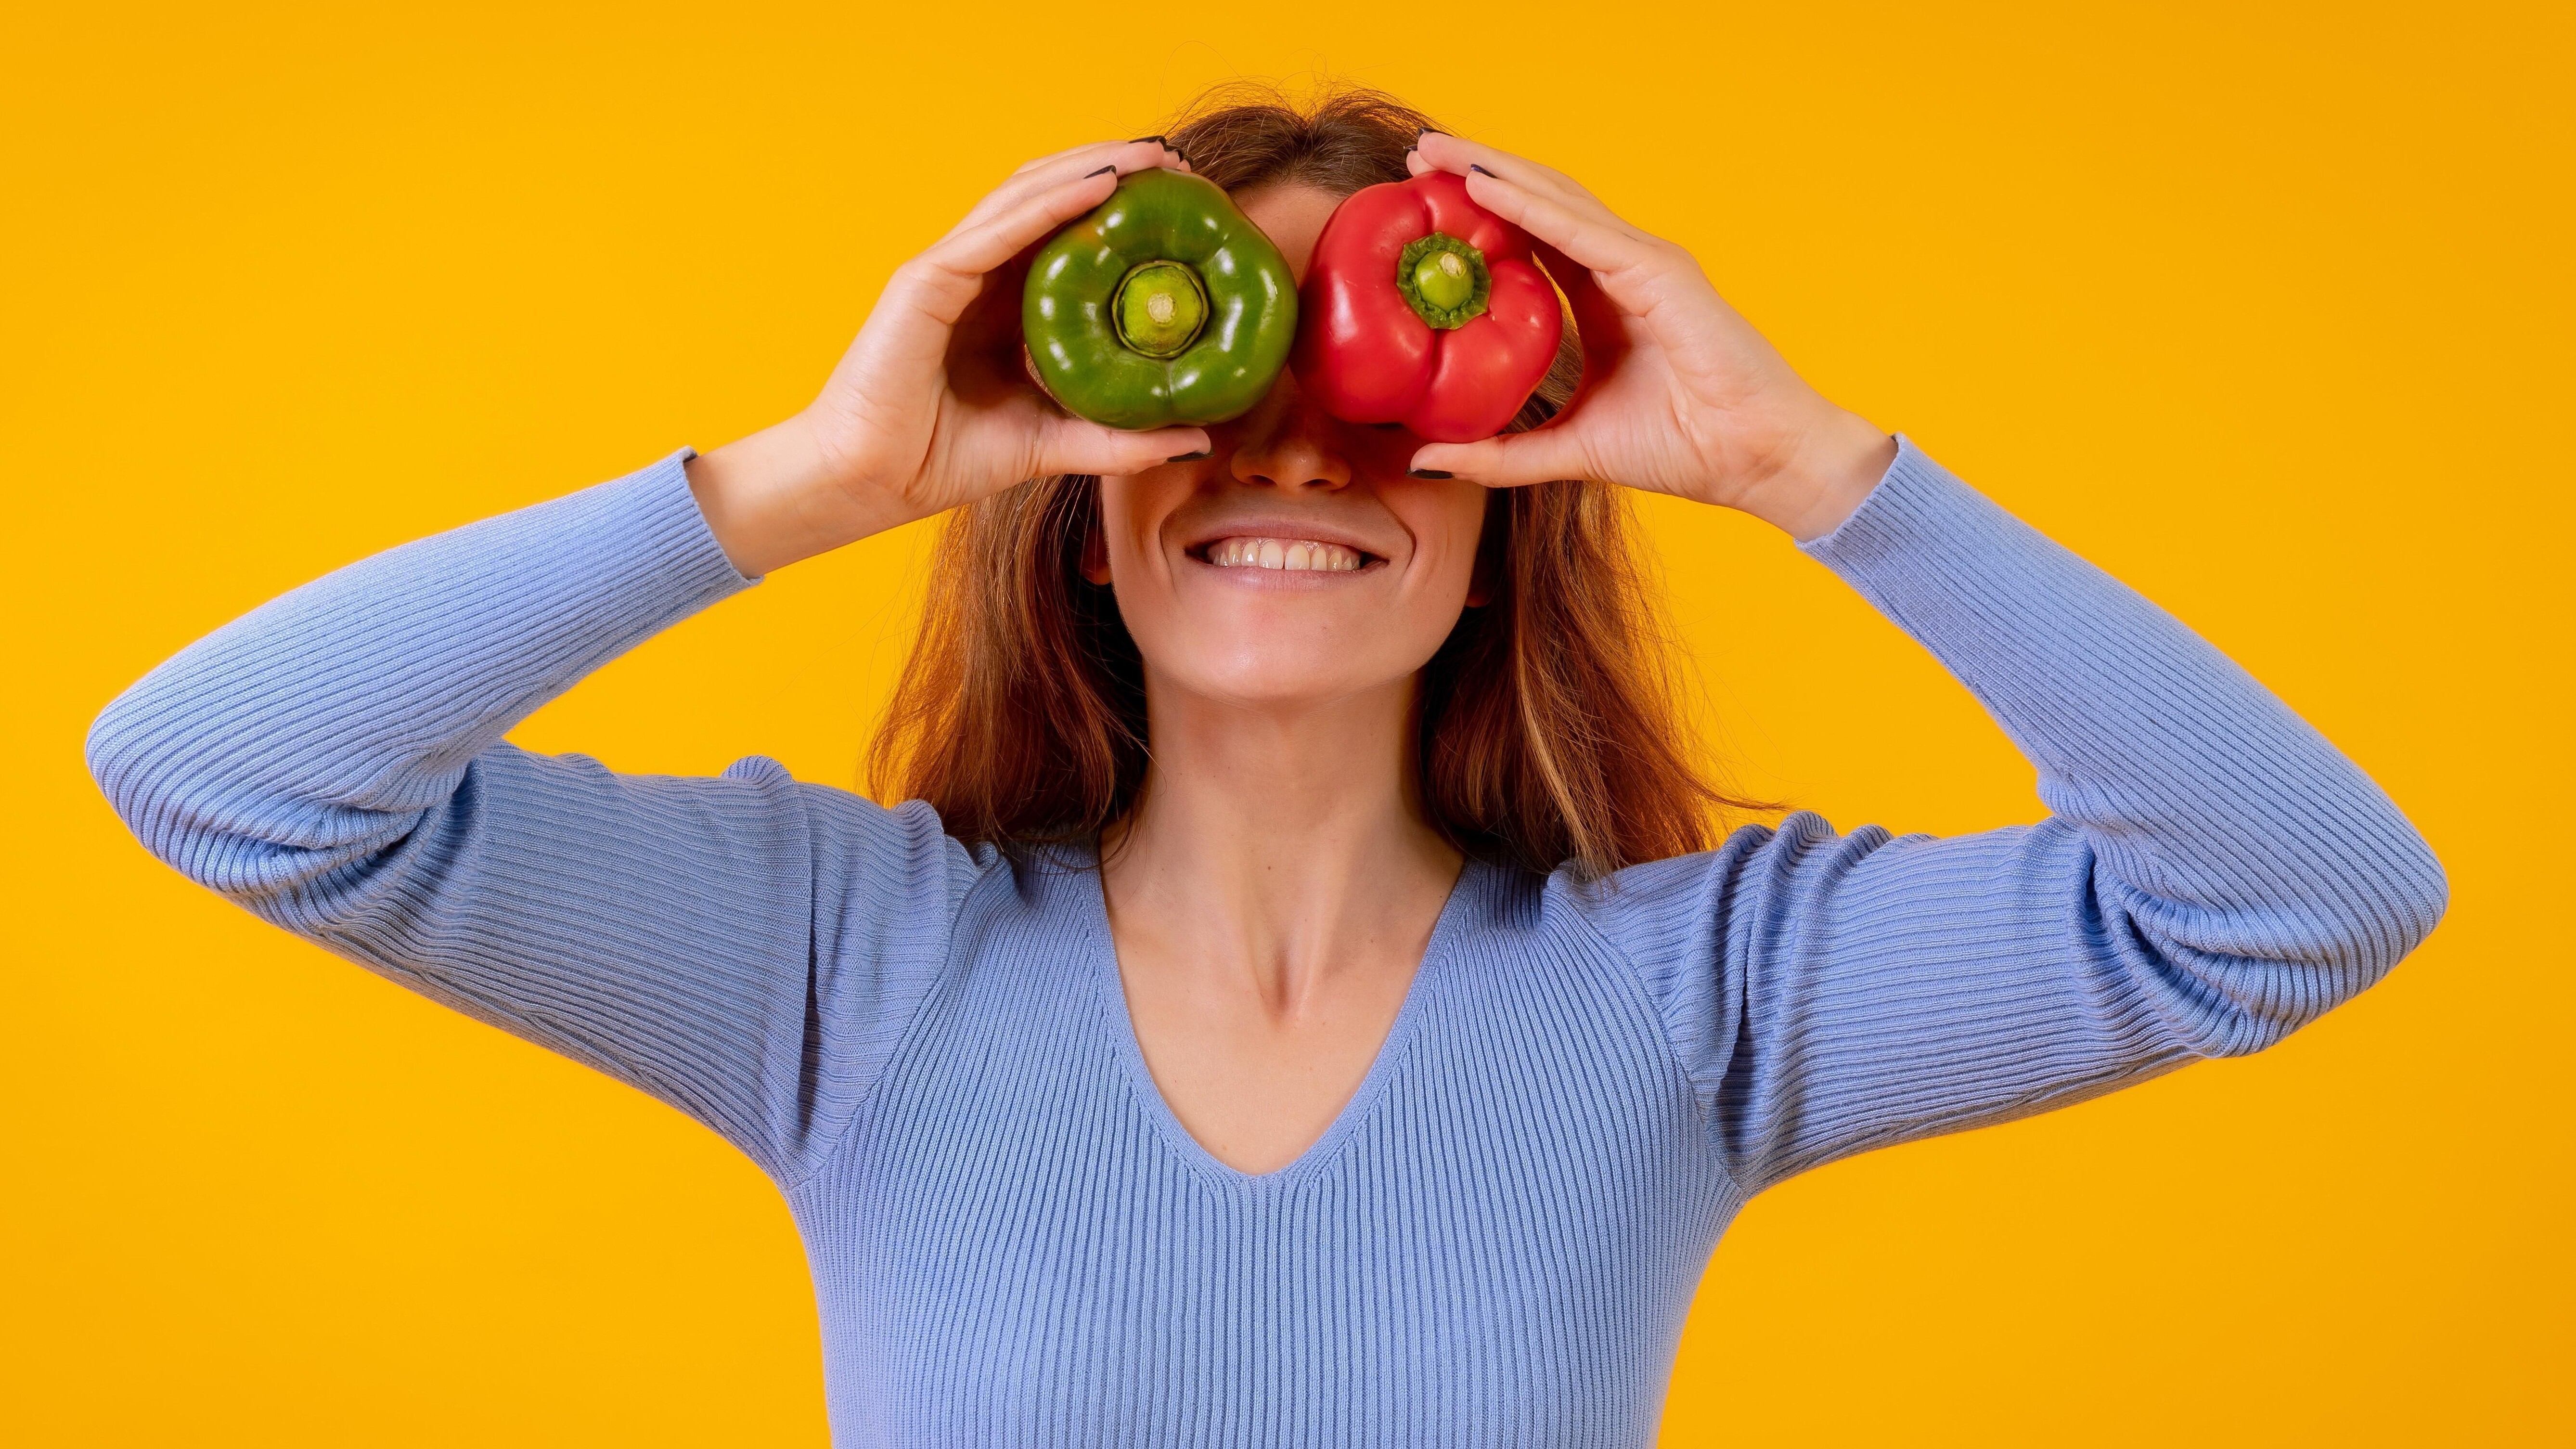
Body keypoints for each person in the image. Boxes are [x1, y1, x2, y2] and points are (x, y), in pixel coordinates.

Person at [86, 88, 2446, 1446]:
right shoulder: (843, 964)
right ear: (1087, 516)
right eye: (1200, 388)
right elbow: (228, 777)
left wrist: (1807, 463)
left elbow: (2301, 902)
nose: (1293, 449)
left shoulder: (1699, 996)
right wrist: (814, 475)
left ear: (1509, 512)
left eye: (1396, 398)